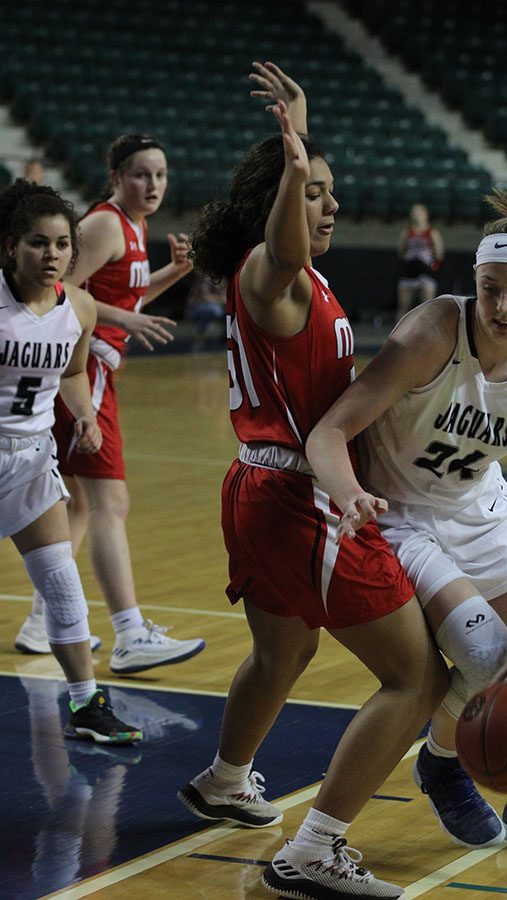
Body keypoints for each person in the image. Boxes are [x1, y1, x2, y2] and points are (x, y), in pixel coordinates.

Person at [177, 62, 448, 900]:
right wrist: (294, 163)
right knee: (417, 679)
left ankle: (226, 777)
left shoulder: (306, 279)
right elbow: (285, 242)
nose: (330, 205)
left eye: (331, 191)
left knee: (284, 648)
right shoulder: (272, 269)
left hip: (262, 491)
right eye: (316, 190)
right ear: (282, 195)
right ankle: (316, 849)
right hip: (300, 499)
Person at [306, 189, 507, 861]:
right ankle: (442, 764)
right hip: (403, 516)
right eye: (489, 288)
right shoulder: (431, 333)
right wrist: (347, 492)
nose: (500, 307)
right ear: (473, 282)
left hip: (480, 510)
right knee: (492, 663)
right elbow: (329, 433)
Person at [14, 134, 205, 673]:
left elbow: (123, 298)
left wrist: (175, 273)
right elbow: (59, 293)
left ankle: (39, 623)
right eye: (142, 174)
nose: (153, 185)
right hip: (84, 366)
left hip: (97, 366)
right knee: (108, 504)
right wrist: (123, 320)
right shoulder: (102, 223)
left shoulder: (136, 227)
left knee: (78, 505)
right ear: (117, 176)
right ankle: (129, 633)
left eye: (161, 175)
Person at [0, 179, 141, 743]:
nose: (52, 254)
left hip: (31, 463)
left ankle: (85, 704)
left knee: (62, 587)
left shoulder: (78, 307)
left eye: (62, 245)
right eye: (39, 243)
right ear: (11, 246)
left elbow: (73, 372)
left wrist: (82, 414)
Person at [396, 202, 444, 319]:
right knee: (403, 307)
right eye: (414, 212)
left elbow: (439, 253)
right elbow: (401, 251)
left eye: (419, 212)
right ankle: (399, 333)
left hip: (425, 270)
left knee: (427, 308)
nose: (416, 215)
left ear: (425, 215)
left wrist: (433, 266)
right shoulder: (407, 232)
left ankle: (428, 333)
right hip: (410, 269)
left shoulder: (432, 232)